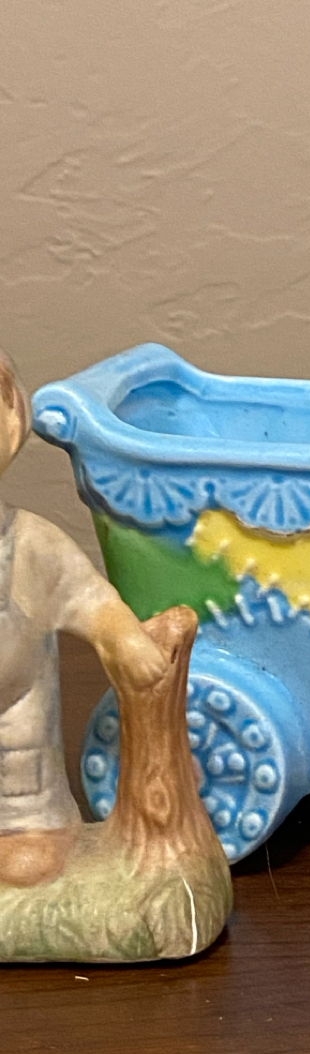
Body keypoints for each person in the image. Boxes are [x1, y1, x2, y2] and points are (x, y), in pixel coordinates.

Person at [0, 349, 168, 887]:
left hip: (15, 702)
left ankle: (29, 833)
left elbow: (87, 595)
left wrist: (121, 638)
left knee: (22, 770)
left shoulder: (28, 540)